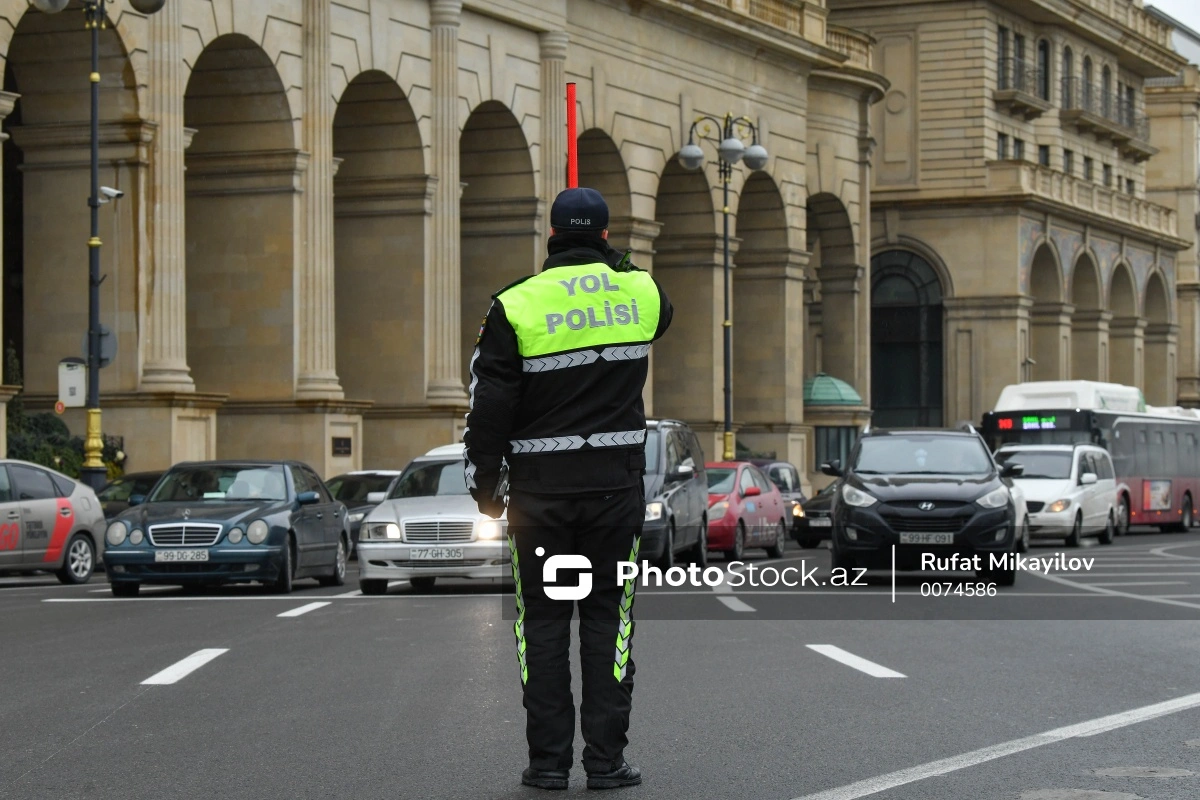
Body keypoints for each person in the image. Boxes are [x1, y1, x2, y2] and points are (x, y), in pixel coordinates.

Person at [464, 186, 672, 791]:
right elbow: (664, 315)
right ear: (606, 238)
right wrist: (619, 266)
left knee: (544, 629)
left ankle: (549, 762)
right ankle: (606, 763)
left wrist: (485, 486)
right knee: (611, 625)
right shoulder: (641, 291)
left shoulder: (515, 304)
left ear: (549, 236)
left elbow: (489, 406)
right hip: (614, 495)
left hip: (540, 501)